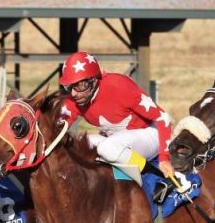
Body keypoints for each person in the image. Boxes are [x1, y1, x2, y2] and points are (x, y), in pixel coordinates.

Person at [56, 51, 176, 182]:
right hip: (117, 142)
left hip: (150, 134)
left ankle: (155, 176)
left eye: (79, 86)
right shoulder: (75, 100)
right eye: (69, 86)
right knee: (78, 144)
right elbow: (56, 127)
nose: (74, 93)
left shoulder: (119, 86)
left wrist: (165, 158)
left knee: (106, 147)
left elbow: (163, 118)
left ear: (94, 81)